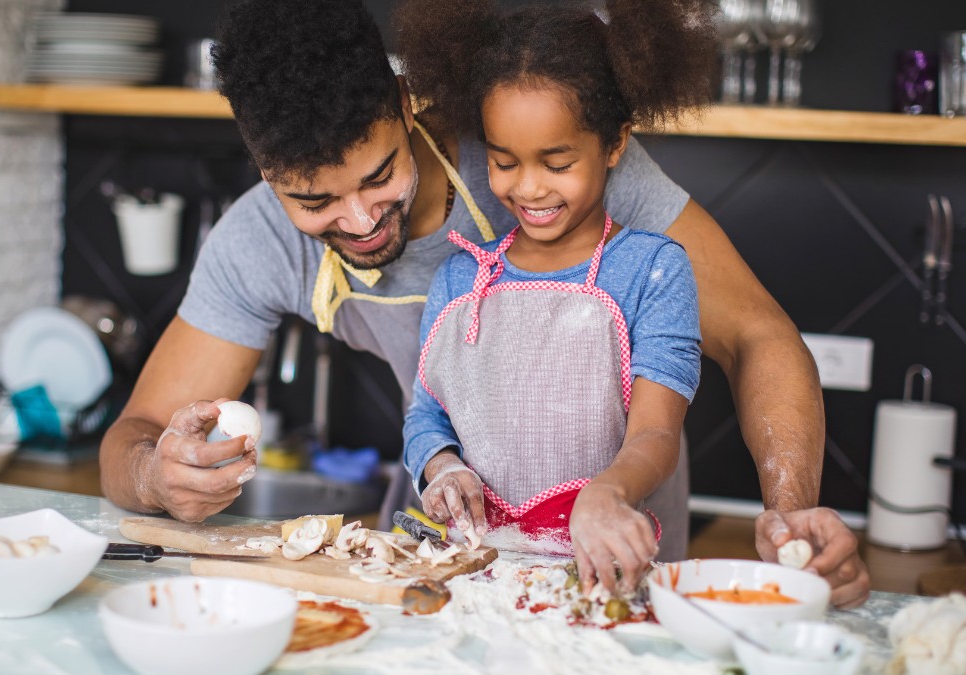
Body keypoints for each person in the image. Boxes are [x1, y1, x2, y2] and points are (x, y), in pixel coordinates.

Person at [96, 0, 870, 608]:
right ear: (264, 173)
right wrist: (158, 474)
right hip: (449, 550)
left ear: (404, 103)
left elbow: (759, 334)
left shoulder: (542, 150)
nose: (361, 220)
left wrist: (789, 509)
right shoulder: (256, 241)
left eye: (378, 177)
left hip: (617, 550)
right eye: (314, 200)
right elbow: (130, 437)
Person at [399, 0, 704, 593]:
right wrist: (442, 466)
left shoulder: (653, 271)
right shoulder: (459, 282)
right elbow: (426, 415)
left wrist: (608, 494)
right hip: (474, 572)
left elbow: (656, 434)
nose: (530, 187)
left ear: (614, 144)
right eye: (503, 162)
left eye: (558, 162)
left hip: (601, 570)